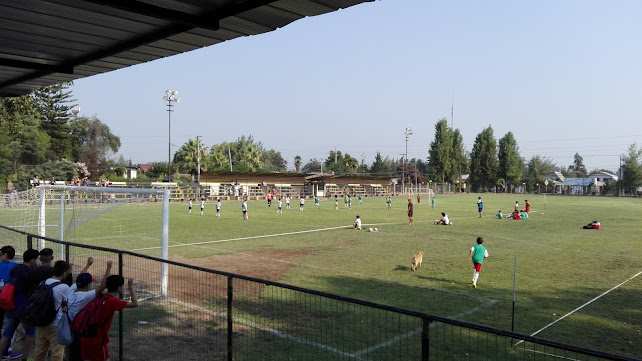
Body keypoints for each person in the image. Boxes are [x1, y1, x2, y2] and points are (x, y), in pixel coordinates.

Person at [80, 276, 138, 361]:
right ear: (119, 288)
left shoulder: (101, 296)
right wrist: (131, 287)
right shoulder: (113, 301)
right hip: (98, 340)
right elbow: (135, 304)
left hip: (86, 336)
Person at [67, 259, 112, 361]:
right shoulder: (84, 296)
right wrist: (108, 267)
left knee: (73, 355)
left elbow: (81, 275)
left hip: (71, 329)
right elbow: (103, 286)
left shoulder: (71, 290)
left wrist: (88, 265)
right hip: (80, 332)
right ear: (87, 285)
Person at [0, 249, 40, 361]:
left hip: (11, 305)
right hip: (23, 307)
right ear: (32, 260)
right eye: (35, 260)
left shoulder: (15, 268)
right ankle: (26, 358)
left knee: (7, 333)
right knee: (30, 333)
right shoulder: (30, 273)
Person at [32, 261, 71, 361]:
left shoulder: (43, 283)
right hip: (55, 325)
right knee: (57, 354)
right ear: (64, 273)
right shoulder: (64, 287)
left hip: (41, 322)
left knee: (39, 352)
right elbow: (68, 303)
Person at [0, 246, 21, 360]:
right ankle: (6, 351)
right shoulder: (16, 267)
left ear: (6, 255)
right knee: (9, 326)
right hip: (10, 300)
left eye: (1, 254)